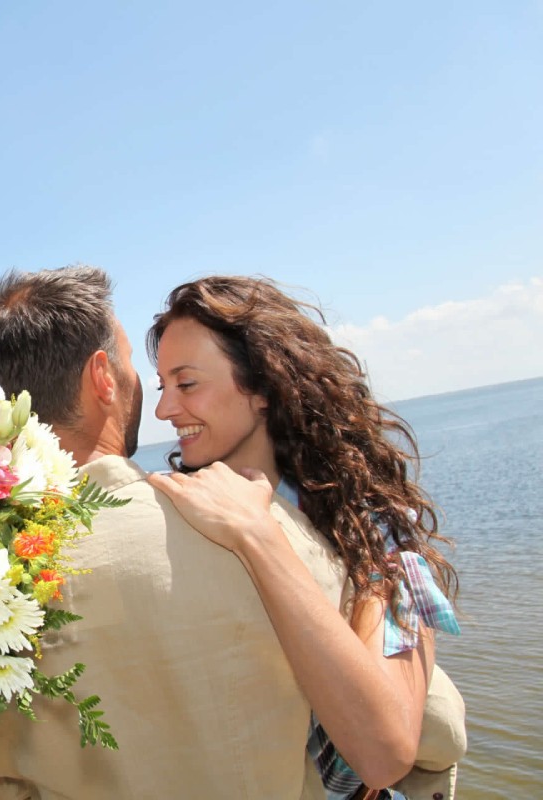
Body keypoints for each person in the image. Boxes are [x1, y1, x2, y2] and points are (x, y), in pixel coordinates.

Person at [0, 265, 349, 799]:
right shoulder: (261, 528)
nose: (152, 399)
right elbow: (422, 736)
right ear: (102, 376)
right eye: (131, 364)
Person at [143, 276, 463, 800]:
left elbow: (384, 754)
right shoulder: (171, 511)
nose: (163, 410)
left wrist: (257, 536)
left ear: (263, 388)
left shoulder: (372, 535)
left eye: (187, 384)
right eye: (162, 387)